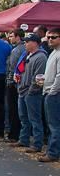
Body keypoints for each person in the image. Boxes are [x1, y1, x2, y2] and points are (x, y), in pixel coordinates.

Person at [11, 33, 47, 153]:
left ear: (35, 43)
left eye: (28, 42)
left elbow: (39, 77)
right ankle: (24, 139)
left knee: (34, 119)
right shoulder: (27, 54)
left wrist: (32, 91)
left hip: (32, 92)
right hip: (22, 89)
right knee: (23, 117)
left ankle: (37, 144)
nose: (25, 43)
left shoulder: (40, 57)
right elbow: (21, 71)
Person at [39, 28, 60, 162]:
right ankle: (52, 151)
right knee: (52, 124)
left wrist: (52, 91)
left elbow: (59, 76)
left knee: (54, 125)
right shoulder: (53, 52)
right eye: (49, 37)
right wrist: (44, 79)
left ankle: (53, 153)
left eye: (54, 37)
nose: (50, 39)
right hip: (48, 90)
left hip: (54, 94)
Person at [5, 29, 25, 142]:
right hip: (16, 82)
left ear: (17, 37)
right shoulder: (18, 48)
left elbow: (13, 68)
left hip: (13, 83)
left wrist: (10, 81)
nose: (10, 38)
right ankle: (14, 133)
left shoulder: (17, 50)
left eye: (11, 36)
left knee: (13, 109)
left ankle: (13, 134)